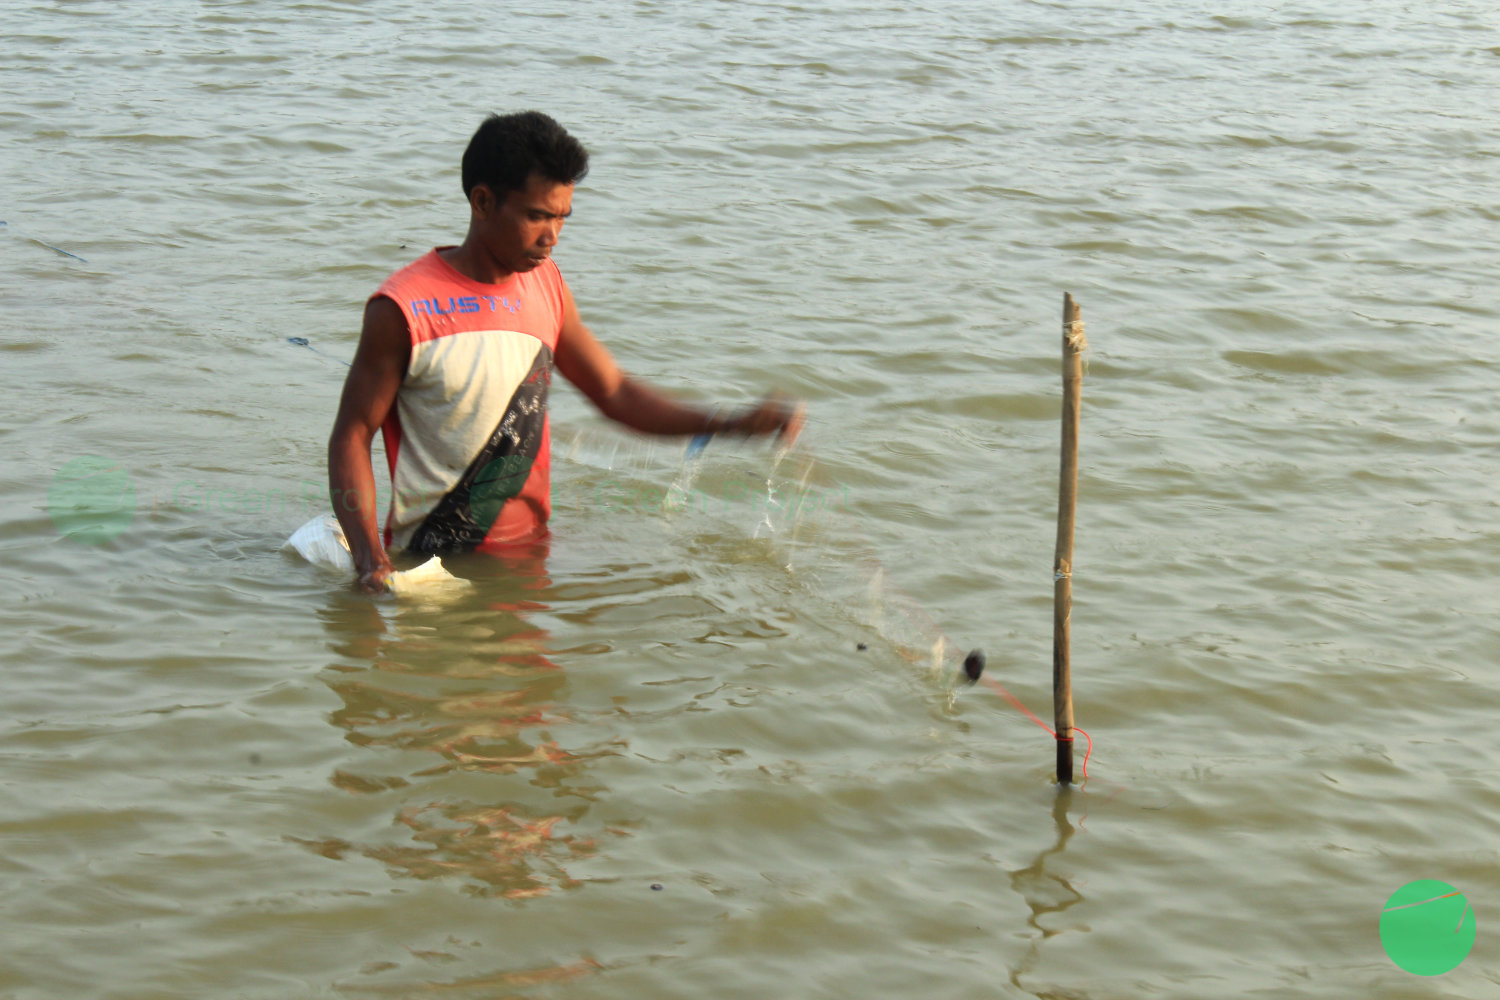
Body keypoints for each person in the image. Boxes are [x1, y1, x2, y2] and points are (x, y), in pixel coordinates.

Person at [328, 112, 802, 594]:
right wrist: (370, 562)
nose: (552, 236)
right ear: (483, 201)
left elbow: (614, 392)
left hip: (532, 558)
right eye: (537, 215)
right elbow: (352, 434)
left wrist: (729, 423)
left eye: (561, 217)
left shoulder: (547, 286)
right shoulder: (403, 309)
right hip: (437, 567)